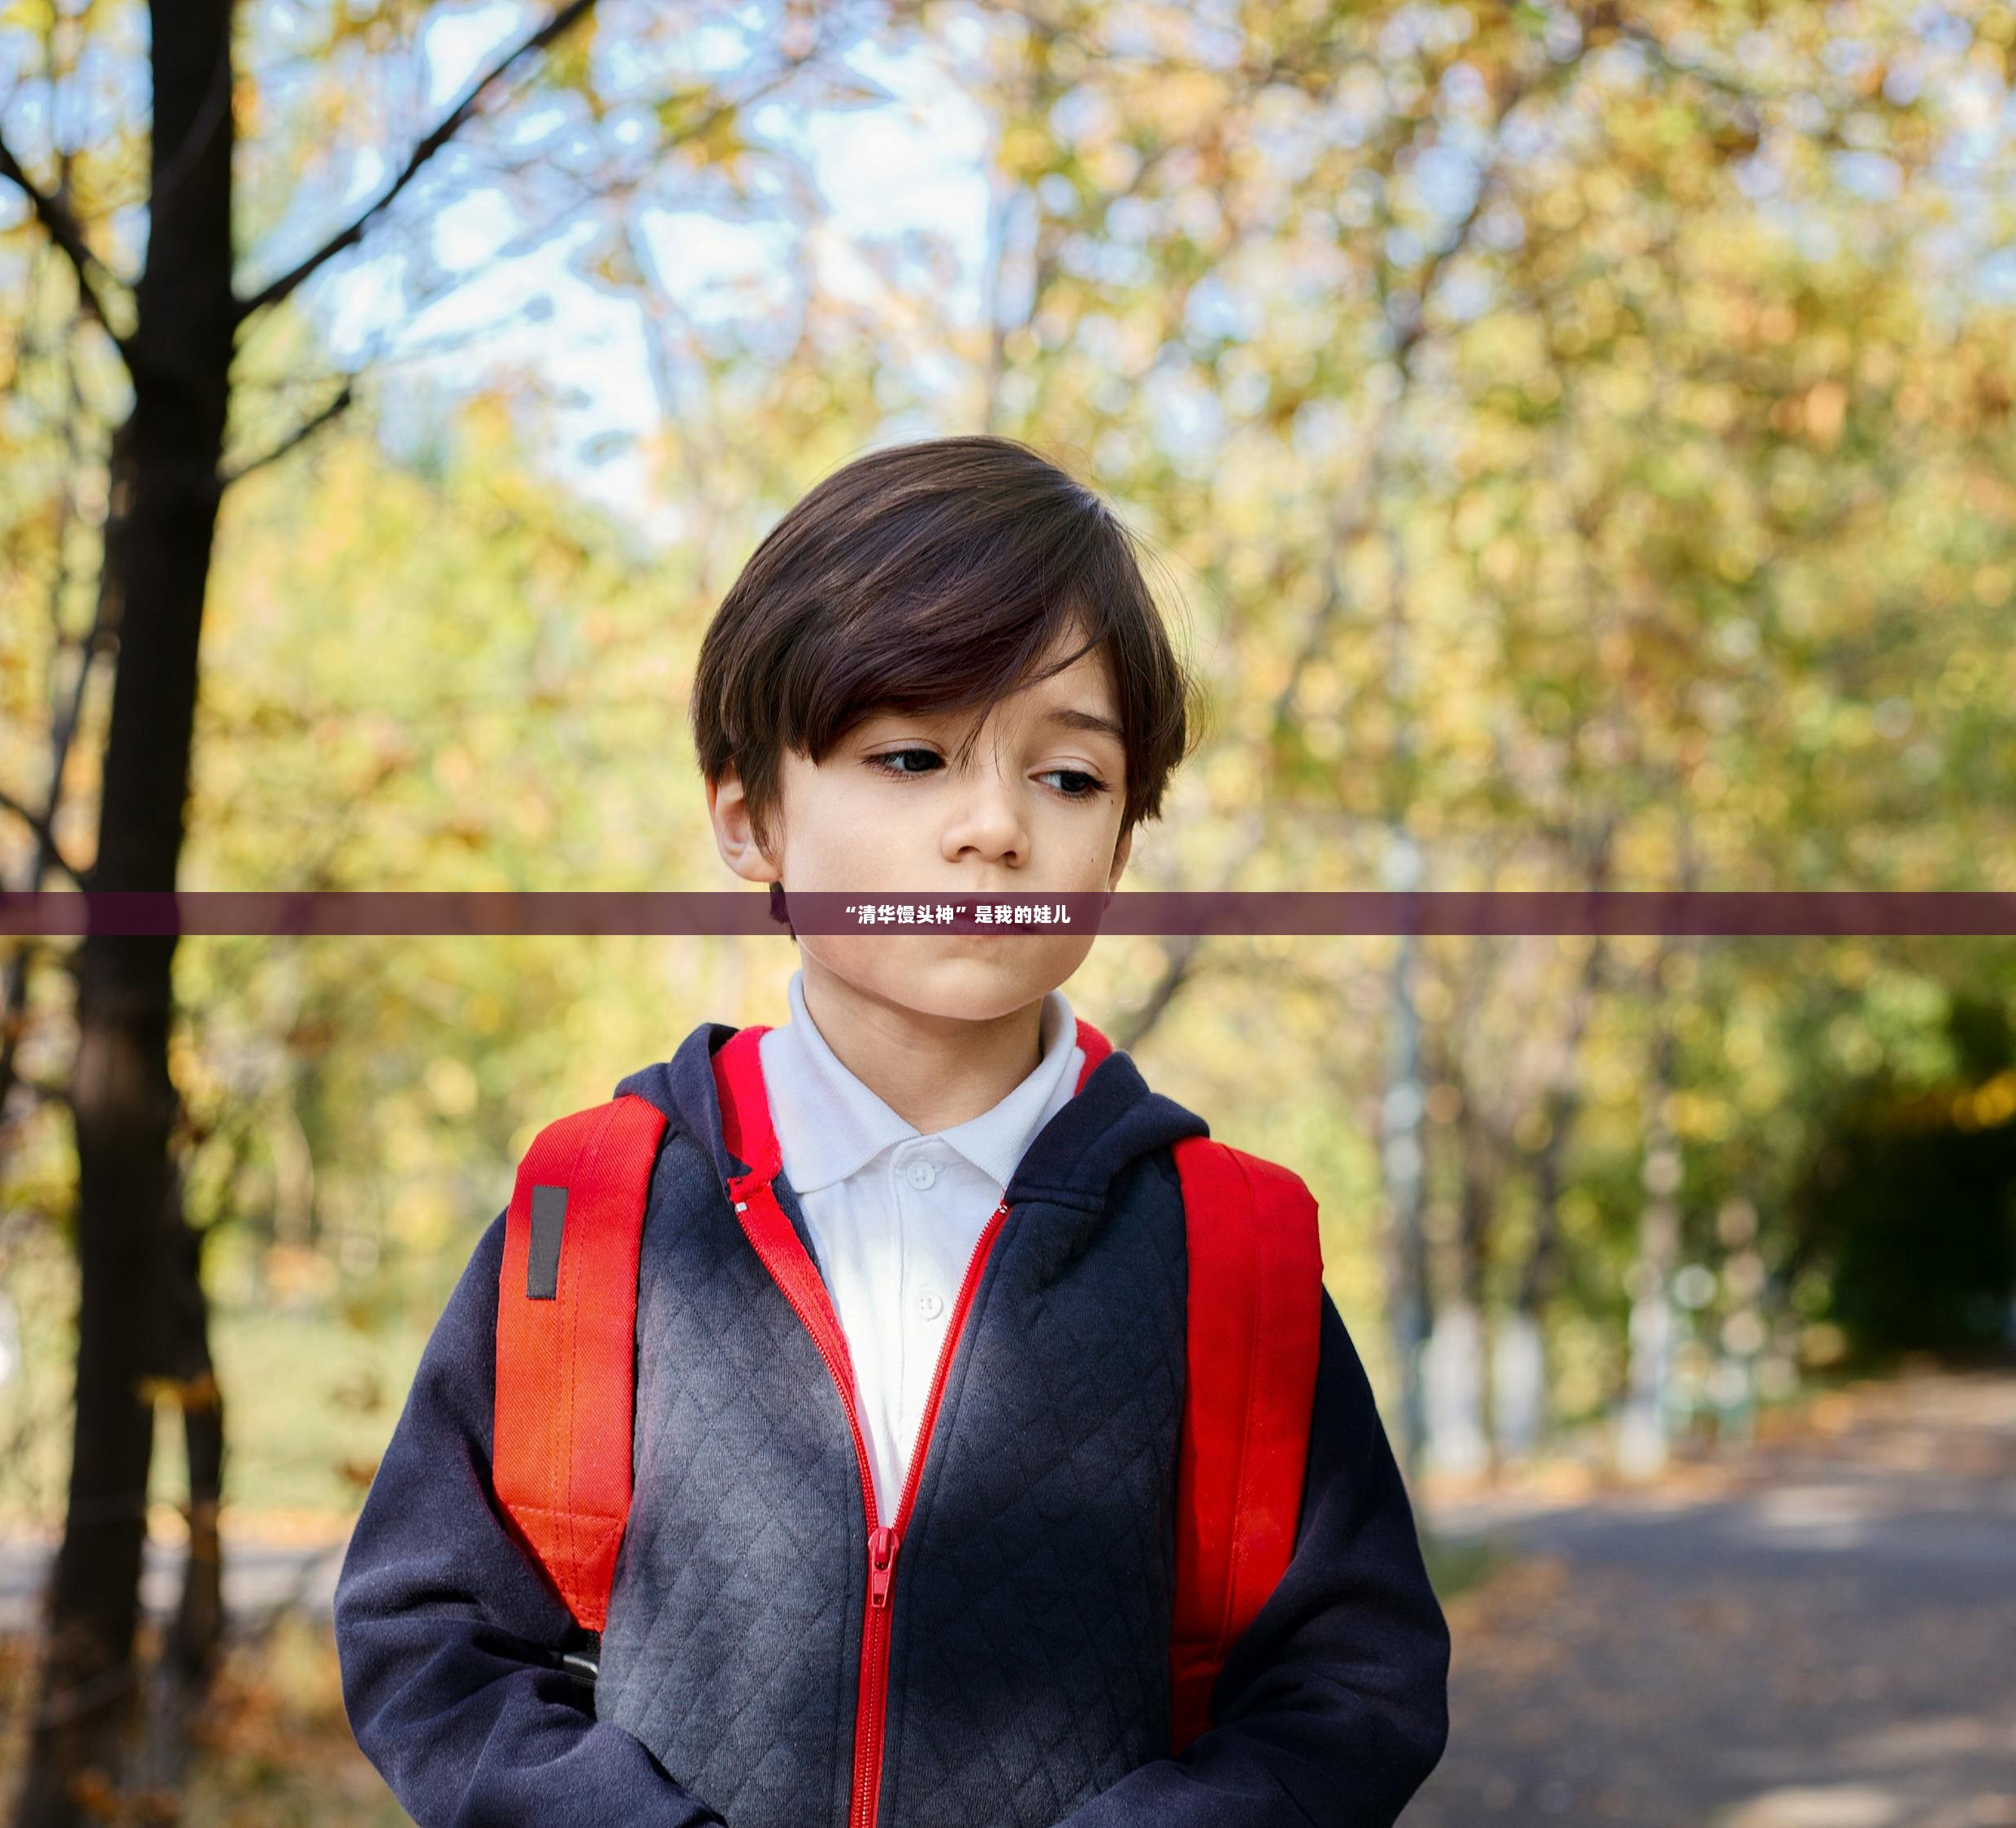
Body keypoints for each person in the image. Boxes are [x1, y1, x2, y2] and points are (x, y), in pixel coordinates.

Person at [333, 435, 1450, 1828]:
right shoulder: (598, 1213)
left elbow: (1356, 1678)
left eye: (1069, 778)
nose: (993, 828)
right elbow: (428, 1633)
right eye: (914, 754)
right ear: (751, 822)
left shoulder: (1228, 1249)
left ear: (1122, 841)